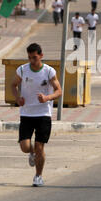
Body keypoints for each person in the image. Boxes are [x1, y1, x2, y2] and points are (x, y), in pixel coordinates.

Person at [11, 43, 62, 187]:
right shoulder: (22, 70)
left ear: (41, 56)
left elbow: (59, 91)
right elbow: (12, 85)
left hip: (43, 113)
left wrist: (47, 98)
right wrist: (17, 98)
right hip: (26, 113)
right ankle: (31, 152)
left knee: (40, 147)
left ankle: (38, 176)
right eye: (29, 58)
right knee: (25, 146)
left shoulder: (49, 71)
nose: (32, 61)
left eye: (34, 57)